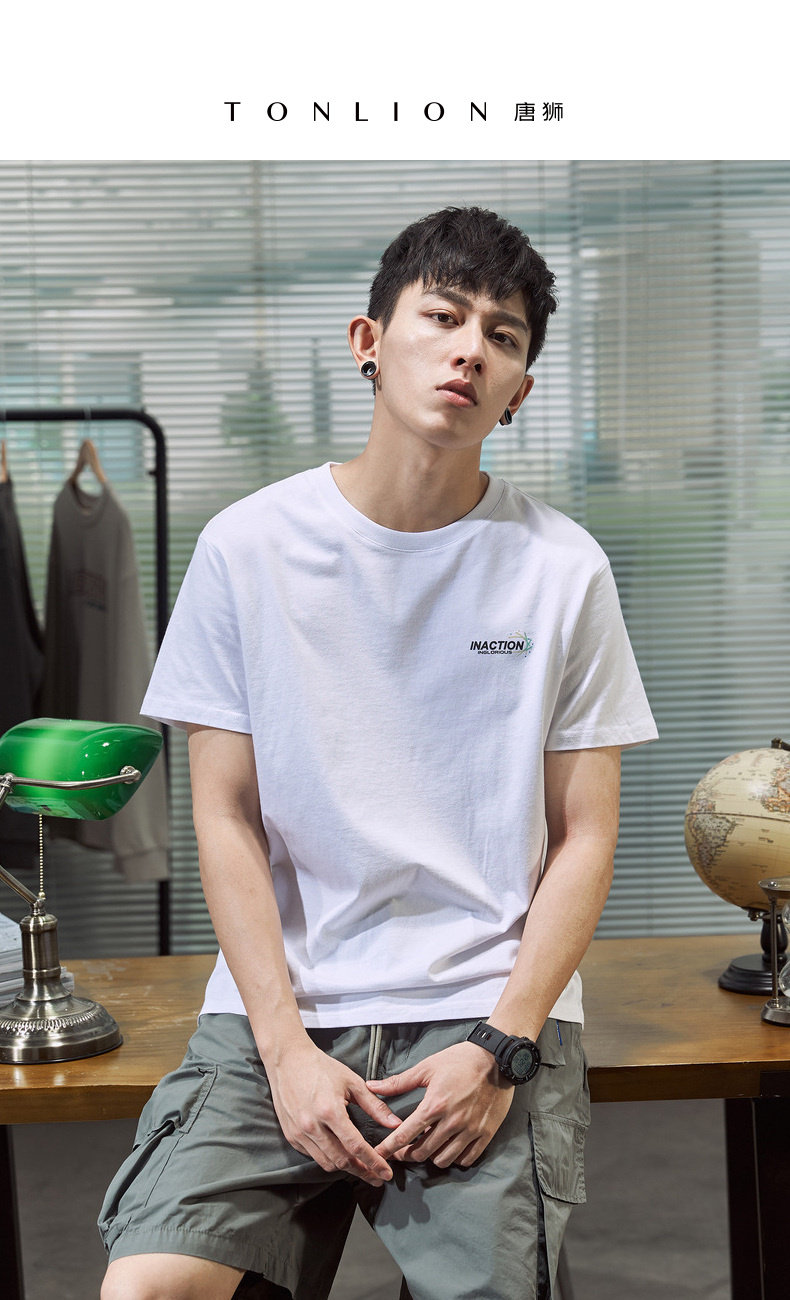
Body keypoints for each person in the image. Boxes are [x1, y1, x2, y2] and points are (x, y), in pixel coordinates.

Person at [99, 206, 657, 1300]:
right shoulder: (248, 547)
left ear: (519, 390)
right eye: (443, 316)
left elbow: (586, 835)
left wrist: (500, 1048)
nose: (470, 349)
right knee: (147, 1287)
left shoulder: (562, 569)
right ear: (368, 341)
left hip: (483, 1008)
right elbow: (225, 816)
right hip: (284, 1005)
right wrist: (283, 1052)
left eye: (502, 335)